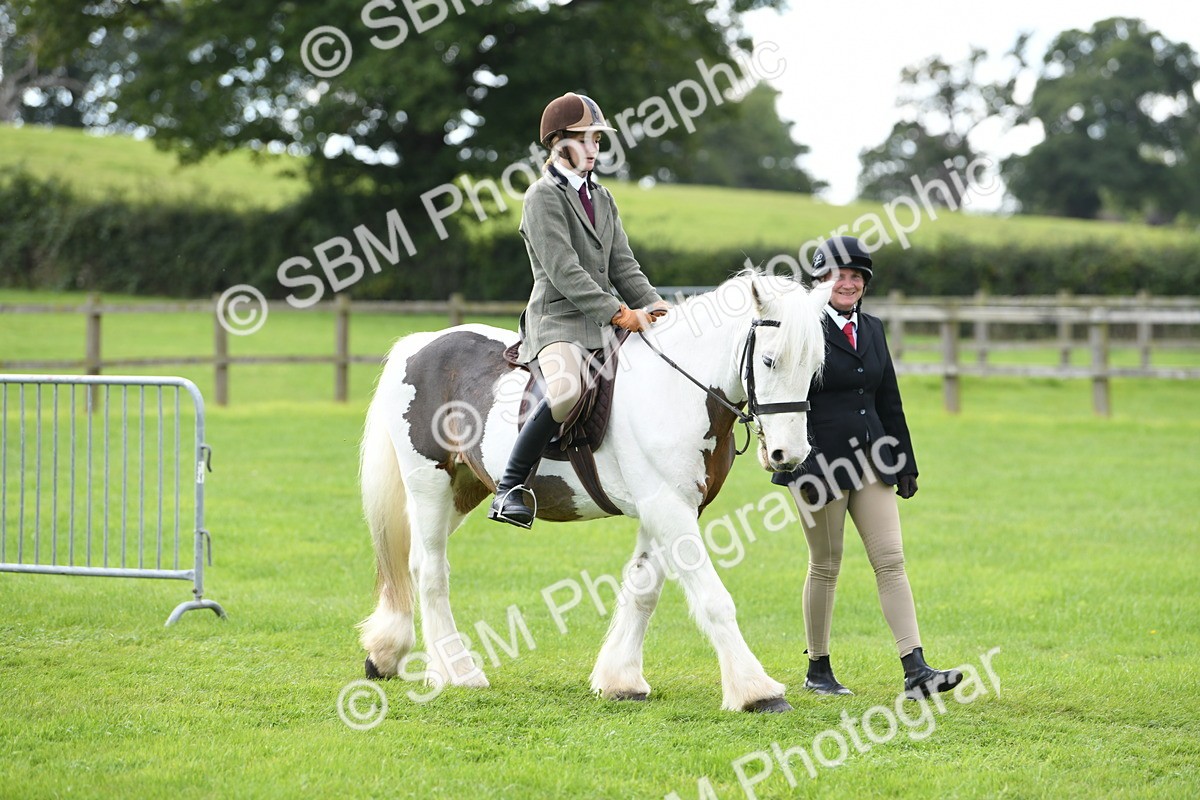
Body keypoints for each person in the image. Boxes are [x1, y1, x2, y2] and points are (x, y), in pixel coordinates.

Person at [773, 235, 962, 700]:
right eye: (839, 274)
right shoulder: (801, 328)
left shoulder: (873, 328)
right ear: (820, 279)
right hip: (819, 463)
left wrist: (906, 462)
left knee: (891, 561)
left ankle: (916, 669)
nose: (849, 283)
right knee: (826, 565)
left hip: (873, 459)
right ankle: (818, 669)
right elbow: (783, 401)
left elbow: (888, 399)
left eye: (857, 276)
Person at [488, 92, 668, 529]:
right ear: (557, 142)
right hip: (557, 323)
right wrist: (619, 313)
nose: (594, 148)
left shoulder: (603, 198)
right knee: (567, 390)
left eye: (597, 141)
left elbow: (623, 265)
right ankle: (511, 486)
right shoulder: (541, 197)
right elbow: (565, 272)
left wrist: (657, 306)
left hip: (603, 322)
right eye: (586, 139)